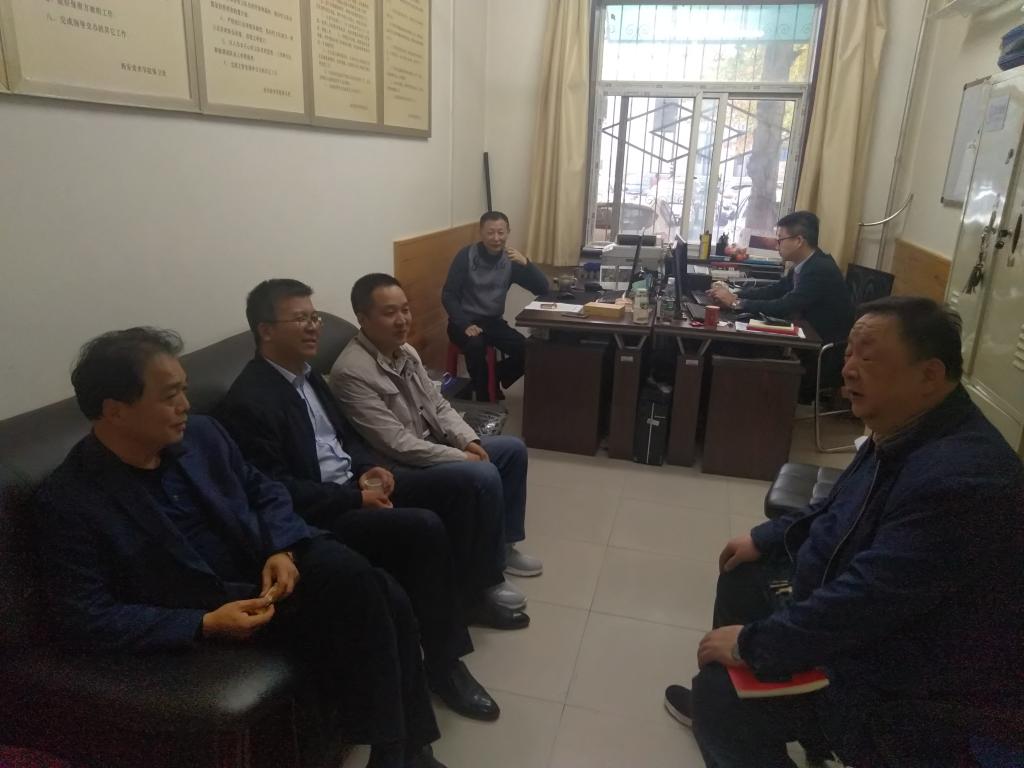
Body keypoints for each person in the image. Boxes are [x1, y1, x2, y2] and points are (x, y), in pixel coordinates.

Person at [34, 328, 446, 768]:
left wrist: (283, 547)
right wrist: (203, 624)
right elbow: (86, 615)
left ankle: (395, 750)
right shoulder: (70, 500)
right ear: (114, 410)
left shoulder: (202, 435)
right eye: (170, 396)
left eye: (184, 390)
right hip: (212, 606)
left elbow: (264, 490)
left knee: (369, 582)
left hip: (268, 567)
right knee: (378, 590)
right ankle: (403, 750)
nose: (185, 405)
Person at [663, 297, 1024, 767]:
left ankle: (731, 711)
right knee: (742, 573)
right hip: (860, 623)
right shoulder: (909, 426)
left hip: (904, 681)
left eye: (867, 357)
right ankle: (743, 699)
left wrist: (753, 645)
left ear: (929, 374)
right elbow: (837, 504)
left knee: (721, 696)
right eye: (849, 353)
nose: (848, 369)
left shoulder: (964, 480)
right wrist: (767, 538)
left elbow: (867, 603)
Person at [215, 280, 529, 722]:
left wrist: (367, 469)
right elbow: (277, 488)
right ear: (266, 330)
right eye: (301, 319)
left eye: (315, 317)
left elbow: (346, 437)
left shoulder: (307, 376)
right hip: (325, 512)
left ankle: (474, 592)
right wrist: (354, 496)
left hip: (358, 485)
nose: (314, 327)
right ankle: (445, 665)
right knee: (423, 526)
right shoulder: (251, 400)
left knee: (461, 487)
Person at [330, 273, 543, 581]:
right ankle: (487, 576)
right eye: (389, 313)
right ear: (362, 318)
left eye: (405, 309)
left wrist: (468, 441)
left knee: (512, 449)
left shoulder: (406, 352)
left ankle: (505, 546)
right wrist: (461, 458)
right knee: (482, 473)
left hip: (432, 445)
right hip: (398, 468)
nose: (402, 320)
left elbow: (439, 405)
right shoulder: (351, 372)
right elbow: (397, 444)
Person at [708, 210, 855, 401]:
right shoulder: (804, 264)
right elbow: (775, 290)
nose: (777, 245)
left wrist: (737, 303)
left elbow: (785, 305)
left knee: (738, 347)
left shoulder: (820, 269)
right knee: (738, 341)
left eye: (780, 240)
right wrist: (735, 294)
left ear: (799, 240)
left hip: (819, 353)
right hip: (804, 337)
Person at [442, 211, 549, 401]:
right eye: (490, 233)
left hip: (493, 323)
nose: (496, 238)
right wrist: (465, 324)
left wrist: (527, 264)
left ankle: (494, 376)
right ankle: (483, 401)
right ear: (481, 233)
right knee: (475, 345)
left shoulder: (511, 260)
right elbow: (448, 294)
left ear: (508, 232)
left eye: (501, 232)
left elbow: (543, 288)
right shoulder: (466, 256)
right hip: (463, 322)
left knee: (531, 352)